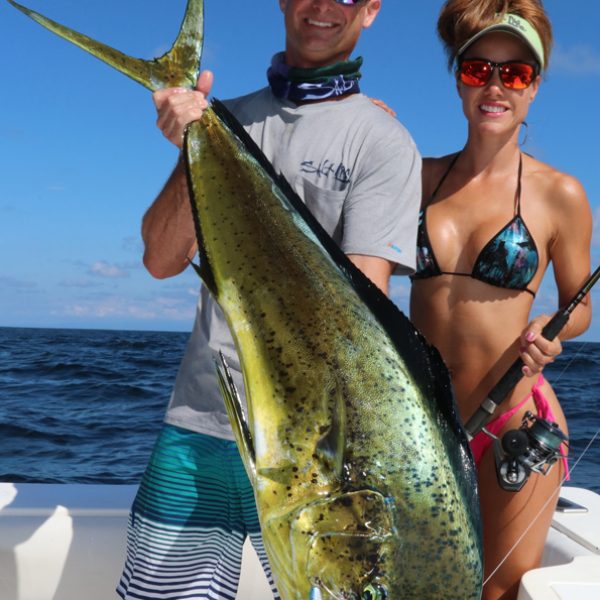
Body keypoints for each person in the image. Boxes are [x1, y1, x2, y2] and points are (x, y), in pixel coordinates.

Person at [117, 1, 421, 598]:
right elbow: (159, 260)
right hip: (200, 424)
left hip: (315, 460)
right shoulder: (223, 121)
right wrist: (196, 144)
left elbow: (361, 316)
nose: (325, 6)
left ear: (372, 11)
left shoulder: (383, 140)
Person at [410, 1, 593, 599]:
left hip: (516, 425)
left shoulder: (560, 194)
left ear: (535, 87)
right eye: (478, 69)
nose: (495, 85)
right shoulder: (414, 176)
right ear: (459, 78)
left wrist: (554, 330)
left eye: (514, 74)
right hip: (423, 429)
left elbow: (580, 302)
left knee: (493, 593)